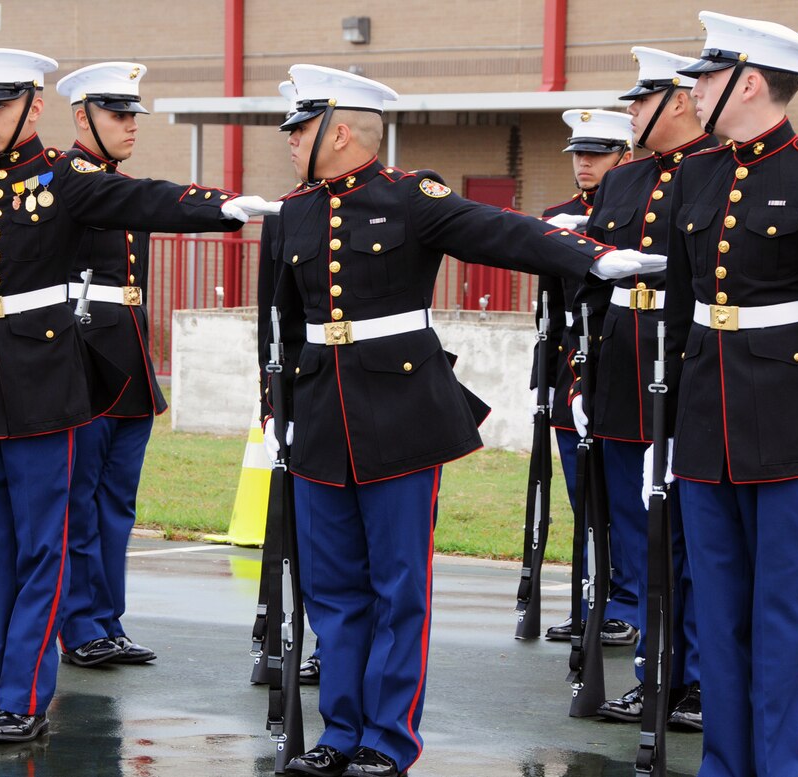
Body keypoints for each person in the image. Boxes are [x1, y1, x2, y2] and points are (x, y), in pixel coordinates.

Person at [259, 63, 666, 777]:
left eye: (300, 128)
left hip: (401, 417)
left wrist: (597, 259)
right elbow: (278, 327)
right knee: (330, 588)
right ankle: (339, 730)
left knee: (396, 589)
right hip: (320, 414)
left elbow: (501, 233)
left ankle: (387, 739)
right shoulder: (291, 214)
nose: (289, 140)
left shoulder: (411, 197)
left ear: (341, 131)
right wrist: (275, 409)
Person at [0, 47, 274, 742]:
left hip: (45, 388)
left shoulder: (68, 175)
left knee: (40, 549)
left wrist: (223, 208)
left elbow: (142, 197)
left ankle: (25, 694)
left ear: (34, 105)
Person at [655, 13, 798, 774]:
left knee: (784, 620)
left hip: (792, 434)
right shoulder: (696, 173)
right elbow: (686, 315)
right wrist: (672, 429)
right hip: (708, 427)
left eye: (708, 77)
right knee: (717, 617)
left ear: (748, 81)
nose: (695, 90)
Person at [573, 46, 716, 730]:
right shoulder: (623, 184)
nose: (630, 109)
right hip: (625, 373)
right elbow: (591, 286)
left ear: (680, 101)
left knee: (687, 539)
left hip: (691, 372)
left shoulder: (720, 171)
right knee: (633, 531)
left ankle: (688, 677)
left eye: (641, 99)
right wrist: (584, 375)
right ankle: (652, 671)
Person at [50, 61, 160, 668]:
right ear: (82, 117)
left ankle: (107, 620)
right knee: (80, 499)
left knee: (117, 502)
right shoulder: (63, 181)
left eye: (132, 115)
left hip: (128, 358)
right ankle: (78, 624)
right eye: (118, 115)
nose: (130, 125)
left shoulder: (118, 183)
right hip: (83, 356)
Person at [536, 109, 640, 647]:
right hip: (570, 370)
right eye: (579, 153)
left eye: (597, 153)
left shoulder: (639, 209)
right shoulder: (555, 216)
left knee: (628, 499)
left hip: (623, 364)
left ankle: (630, 604)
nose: (584, 163)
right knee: (585, 499)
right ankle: (592, 598)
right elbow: (552, 307)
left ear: (625, 156)